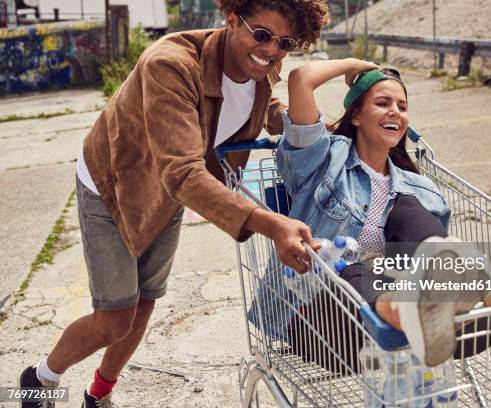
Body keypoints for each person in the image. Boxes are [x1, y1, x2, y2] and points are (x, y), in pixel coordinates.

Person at [19, 1, 329, 407]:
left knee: (145, 301)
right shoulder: (170, 64)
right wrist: (271, 224)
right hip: (115, 183)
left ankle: (98, 394)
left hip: (173, 188)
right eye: (262, 35)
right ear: (232, 19)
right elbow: (183, 172)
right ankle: (39, 379)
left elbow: (261, 103)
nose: (271, 50)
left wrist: (301, 121)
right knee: (115, 317)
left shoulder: (262, 64)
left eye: (285, 43)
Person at [272, 58, 491, 372]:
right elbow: (301, 79)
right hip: (321, 321)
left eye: (402, 107)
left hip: (405, 326)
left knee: (410, 214)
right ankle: (423, 307)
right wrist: (358, 67)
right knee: (358, 272)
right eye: (383, 103)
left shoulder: (419, 190)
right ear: (355, 114)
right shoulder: (324, 161)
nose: (395, 113)